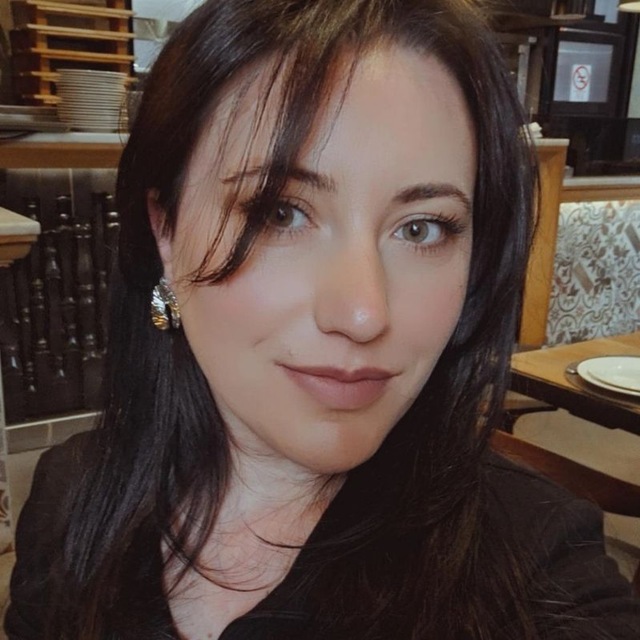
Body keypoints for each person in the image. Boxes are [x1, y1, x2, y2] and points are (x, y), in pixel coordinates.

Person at [6, 0, 640, 638]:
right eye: (279, 212)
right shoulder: (71, 501)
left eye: (421, 228)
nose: (363, 314)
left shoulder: (536, 564)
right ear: (165, 229)